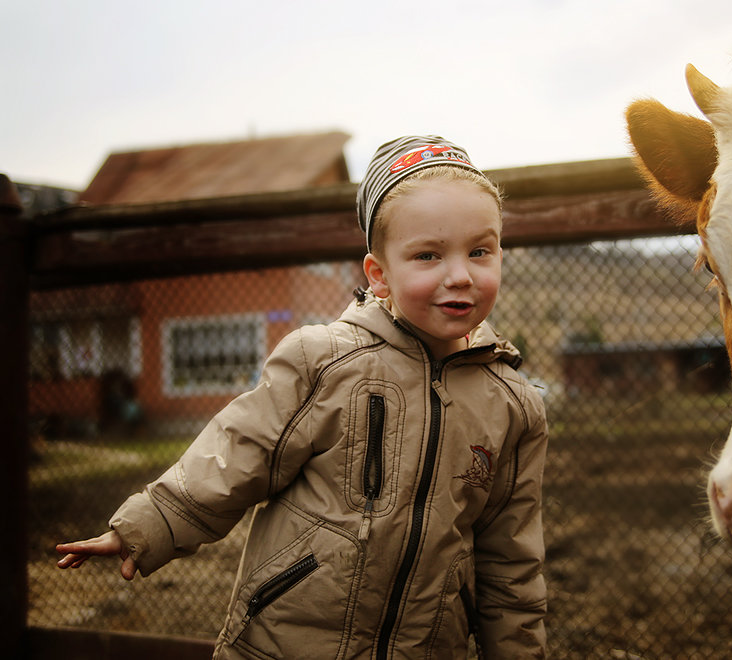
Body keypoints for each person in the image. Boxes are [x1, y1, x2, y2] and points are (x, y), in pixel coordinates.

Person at [56, 135, 549, 659]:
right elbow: (238, 452)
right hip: (285, 647)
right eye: (427, 255)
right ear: (379, 275)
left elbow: (511, 560)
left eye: (480, 251)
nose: (460, 275)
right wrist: (147, 525)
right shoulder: (325, 360)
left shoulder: (514, 404)